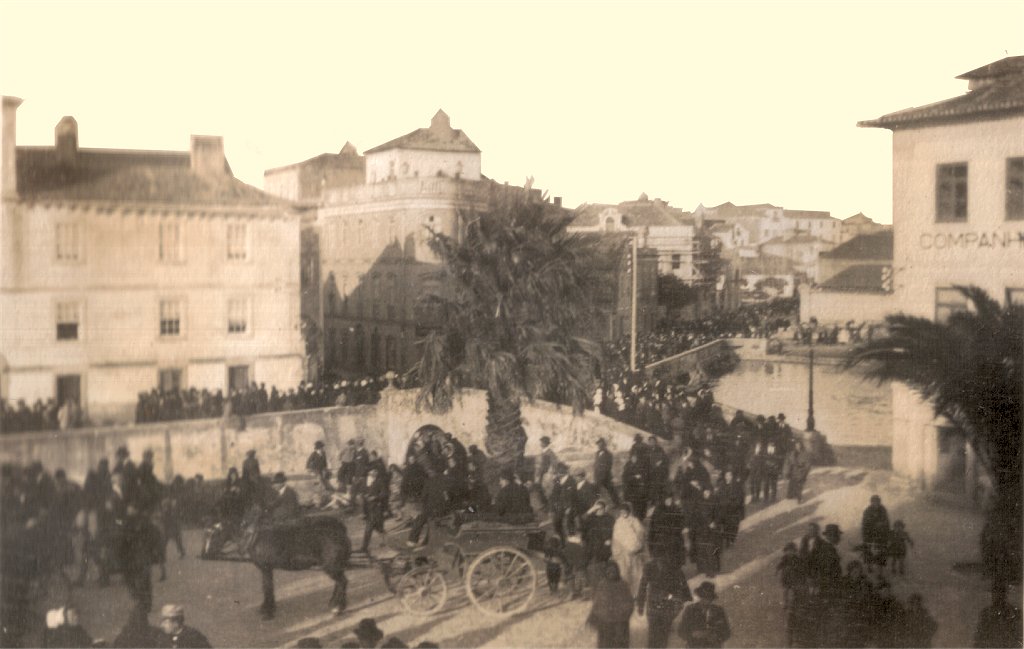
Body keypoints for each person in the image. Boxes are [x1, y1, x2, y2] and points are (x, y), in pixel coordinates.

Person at [636, 555, 693, 649]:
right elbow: (643, 586)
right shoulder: (649, 567)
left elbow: (683, 586)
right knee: (653, 635)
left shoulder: (675, 568)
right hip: (653, 607)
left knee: (663, 635)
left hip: (668, 607)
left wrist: (681, 598)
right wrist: (640, 604)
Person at [587, 562, 634, 648]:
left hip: (620, 622)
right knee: (606, 644)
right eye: (609, 572)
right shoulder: (602, 585)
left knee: (620, 645)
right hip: (605, 622)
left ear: (617, 572)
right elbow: (597, 603)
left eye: (613, 572)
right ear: (605, 573)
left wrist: (624, 614)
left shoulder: (623, 585)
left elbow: (629, 602)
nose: (611, 574)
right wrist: (593, 616)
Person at [678, 581, 730, 648]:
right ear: (700, 596)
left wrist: (716, 636)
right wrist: (694, 634)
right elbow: (681, 631)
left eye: (709, 598)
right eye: (704, 597)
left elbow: (726, 633)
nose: (706, 600)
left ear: (712, 598)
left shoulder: (718, 611)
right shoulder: (690, 610)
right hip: (694, 646)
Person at [973, 581, 1023, 648]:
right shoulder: (985, 613)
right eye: (995, 592)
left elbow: (1019, 639)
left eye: (1001, 592)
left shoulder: (1015, 614)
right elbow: (979, 639)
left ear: (1005, 594)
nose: (998, 596)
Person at [611, 503, 646, 597]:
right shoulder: (618, 523)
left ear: (628, 511)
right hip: (623, 552)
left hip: (634, 551)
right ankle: (627, 594)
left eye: (625, 511)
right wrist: (617, 551)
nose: (623, 513)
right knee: (625, 573)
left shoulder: (634, 521)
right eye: (621, 512)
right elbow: (616, 537)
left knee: (637, 573)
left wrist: (637, 545)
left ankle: (637, 593)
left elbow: (640, 533)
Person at [360, 468, 387, 554]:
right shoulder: (365, 481)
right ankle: (383, 539)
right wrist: (365, 496)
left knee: (370, 527)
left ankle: (364, 547)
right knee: (377, 526)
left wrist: (375, 497)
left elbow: (384, 493)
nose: (374, 473)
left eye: (375, 471)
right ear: (369, 472)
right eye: (372, 471)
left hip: (376, 507)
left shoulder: (380, 481)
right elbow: (362, 492)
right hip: (368, 508)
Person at [861, 495, 890, 573]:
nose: (876, 503)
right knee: (868, 552)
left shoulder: (883, 510)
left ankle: (880, 572)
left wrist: (887, 534)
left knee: (881, 552)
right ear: (871, 502)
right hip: (869, 534)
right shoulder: (867, 511)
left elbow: (887, 523)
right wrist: (865, 536)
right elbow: (864, 524)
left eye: (877, 501)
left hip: (881, 535)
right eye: (874, 501)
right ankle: (869, 566)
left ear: (879, 502)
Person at [594, 438, 620, 507]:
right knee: (596, 491)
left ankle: (617, 503)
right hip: (598, 476)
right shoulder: (597, 453)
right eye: (598, 445)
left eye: (600, 445)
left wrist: (603, 476)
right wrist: (596, 475)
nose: (599, 446)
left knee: (611, 490)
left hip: (606, 476)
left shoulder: (609, 454)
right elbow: (596, 464)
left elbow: (608, 466)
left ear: (604, 445)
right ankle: (596, 504)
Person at [776, 542, 803, 608]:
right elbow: (780, 564)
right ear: (786, 551)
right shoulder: (784, 558)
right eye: (788, 551)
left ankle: (794, 602)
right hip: (786, 576)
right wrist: (777, 570)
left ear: (794, 551)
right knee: (785, 590)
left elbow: (800, 566)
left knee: (794, 590)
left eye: (792, 551)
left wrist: (799, 571)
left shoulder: (796, 558)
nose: (790, 552)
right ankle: (785, 603)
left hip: (794, 576)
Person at [534, 436, 558, 511]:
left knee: (547, 490)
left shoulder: (550, 453)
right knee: (540, 489)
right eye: (541, 442)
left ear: (546, 443)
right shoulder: (543, 452)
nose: (540, 444)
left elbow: (554, 464)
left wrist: (551, 474)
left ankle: (548, 506)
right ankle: (544, 505)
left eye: (542, 442)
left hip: (546, 475)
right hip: (541, 474)